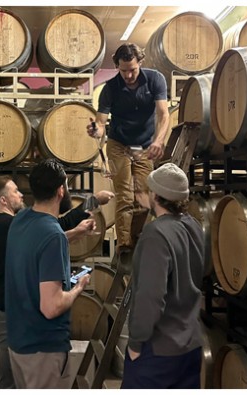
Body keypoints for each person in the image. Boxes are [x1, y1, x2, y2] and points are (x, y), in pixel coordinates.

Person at [0, 176, 113, 388]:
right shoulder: (13, 226)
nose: (20, 194)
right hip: (6, 320)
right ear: (3, 200)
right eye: (14, 191)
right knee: (10, 384)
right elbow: (49, 234)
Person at [4, 159, 92, 388]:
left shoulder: (20, 220)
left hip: (19, 342)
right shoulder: (52, 236)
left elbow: (41, 243)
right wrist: (78, 287)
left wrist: (74, 234)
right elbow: (51, 307)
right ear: (61, 190)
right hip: (43, 348)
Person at [122, 163, 204, 389]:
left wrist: (135, 344)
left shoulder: (155, 234)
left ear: (156, 195)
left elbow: (150, 297)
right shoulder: (194, 226)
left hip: (158, 352)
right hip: (190, 344)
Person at [89, 42, 171, 254]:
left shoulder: (155, 80)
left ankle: (137, 241)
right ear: (118, 66)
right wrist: (96, 130)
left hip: (144, 144)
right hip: (118, 144)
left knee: (144, 197)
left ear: (140, 63)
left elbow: (164, 114)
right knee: (125, 194)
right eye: (123, 70)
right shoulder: (110, 88)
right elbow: (100, 122)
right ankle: (124, 245)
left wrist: (158, 141)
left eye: (132, 69)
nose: (128, 75)